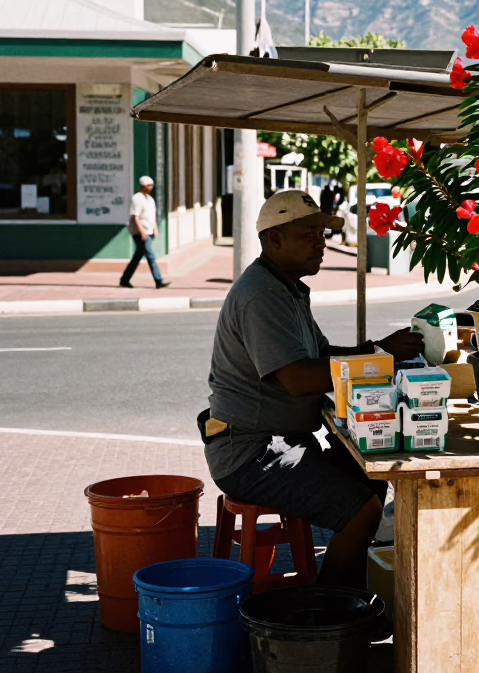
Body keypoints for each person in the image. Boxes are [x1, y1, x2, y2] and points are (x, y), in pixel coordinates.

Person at [201, 189, 423, 591]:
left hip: (281, 440)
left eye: (321, 233)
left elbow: (323, 355)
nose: (321, 243)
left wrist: (379, 349)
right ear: (274, 240)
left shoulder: (286, 288)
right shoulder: (261, 295)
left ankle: (352, 591)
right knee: (363, 513)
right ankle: (331, 616)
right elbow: (300, 378)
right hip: (251, 452)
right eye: (309, 234)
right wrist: (377, 362)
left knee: (366, 474)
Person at [119, 176, 168, 289]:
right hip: (141, 232)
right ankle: (158, 280)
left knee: (137, 257)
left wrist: (155, 228)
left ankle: (124, 279)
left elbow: (152, 216)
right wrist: (141, 232)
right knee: (150, 256)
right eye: (148, 185)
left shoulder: (150, 200)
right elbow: (135, 217)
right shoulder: (137, 198)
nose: (151, 188)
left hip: (149, 231)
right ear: (143, 186)